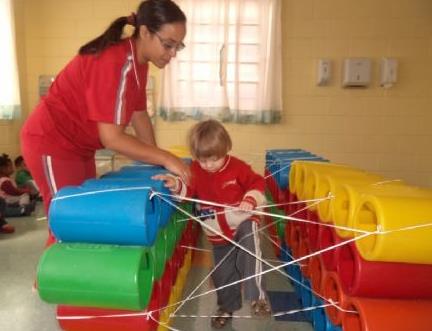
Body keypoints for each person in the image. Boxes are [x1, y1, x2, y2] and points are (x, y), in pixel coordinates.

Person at [20, 0, 190, 247]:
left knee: (88, 217)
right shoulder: (116, 62)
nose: (173, 53)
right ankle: (46, 285)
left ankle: (73, 283)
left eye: (178, 46)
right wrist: (165, 158)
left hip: (78, 148)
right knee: (68, 223)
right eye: (168, 44)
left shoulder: (138, 64)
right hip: (51, 142)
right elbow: (112, 138)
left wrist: (156, 165)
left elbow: (140, 114)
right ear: (144, 32)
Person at [153, 119, 271, 329]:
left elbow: (257, 182)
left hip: (243, 220)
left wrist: (249, 199)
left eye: (213, 159)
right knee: (223, 274)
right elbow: (188, 191)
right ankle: (226, 307)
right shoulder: (196, 170)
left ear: (225, 149)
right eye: (202, 159)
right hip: (217, 233)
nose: (208, 165)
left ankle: (257, 298)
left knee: (250, 248)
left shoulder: (237, 167)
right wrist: (175, 184)